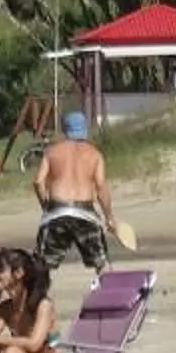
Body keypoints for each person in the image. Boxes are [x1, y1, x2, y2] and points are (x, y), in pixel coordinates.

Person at [32, 112, 117, 273]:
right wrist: (109, 218)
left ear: (65, 130)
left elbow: (38, 181)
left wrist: (46, 206)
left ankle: (35, 297)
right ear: (84, 129)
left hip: (57, 210)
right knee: (102, 265)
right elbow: (101, 188)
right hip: (85, 212)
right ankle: (109, 296)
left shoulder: (51, 152)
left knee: (40, 268)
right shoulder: (94, 154)